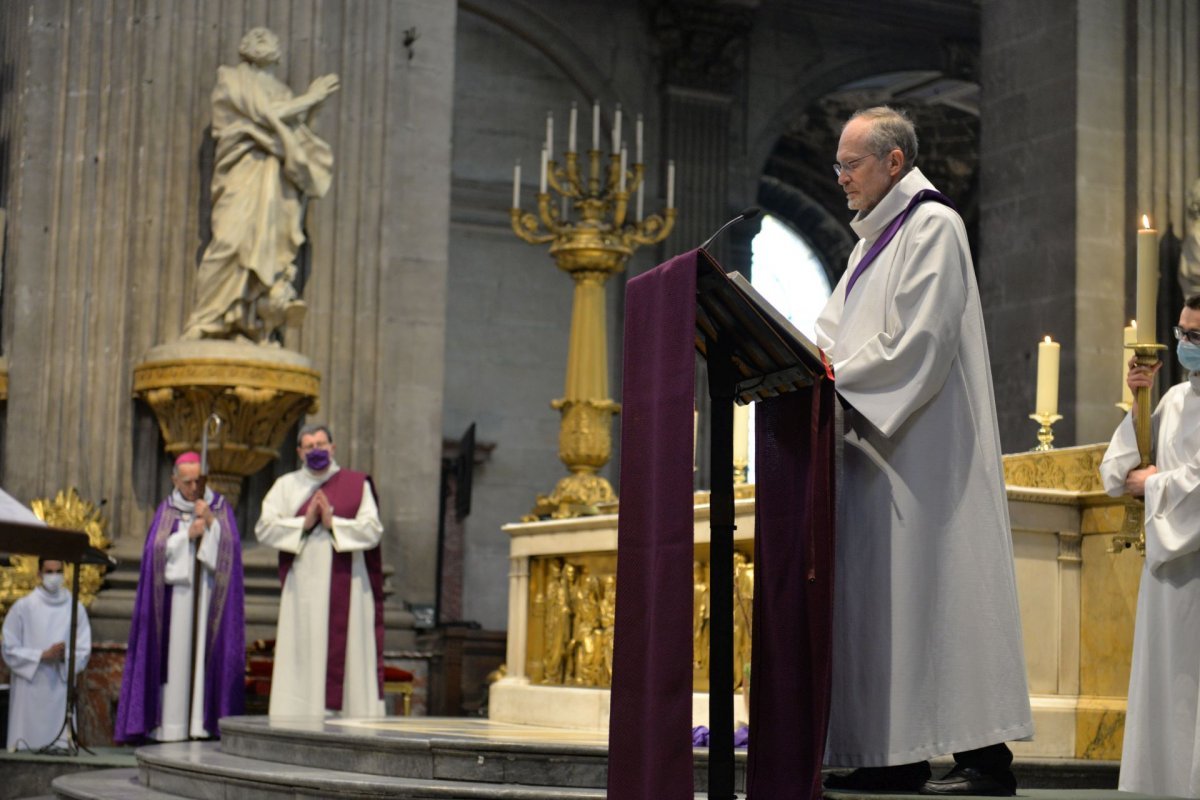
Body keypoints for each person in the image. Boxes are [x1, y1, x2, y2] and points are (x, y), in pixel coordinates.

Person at [814, 106, 1033, 796]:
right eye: (840, 164)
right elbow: (829, 333)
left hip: (924, 453)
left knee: (941, 599)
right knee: (889, 608)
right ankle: (894, 754)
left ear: (894, 163)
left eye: (851, 164)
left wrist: (832, 380)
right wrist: (805, 365)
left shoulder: (935, 226)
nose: (840, 177)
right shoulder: (867, 246)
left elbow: (921, 343)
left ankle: (984, 758)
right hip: (874, 451)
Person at [1100, 295, 1200, 799]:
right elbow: (1118, 471)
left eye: (1195, 337)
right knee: (1167, 691)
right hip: (1166, 576)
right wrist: (1138, 400)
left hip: (1197, 567)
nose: (1184, 344)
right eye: (1181, 333)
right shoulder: (1175, 400)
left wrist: (1156, 484)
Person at [180, 26, 339, 343]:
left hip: (276, 182)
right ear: (245, 48)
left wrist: (314, 108)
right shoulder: (232, 80)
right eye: (259, 37)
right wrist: (310, 99)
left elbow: (302, 138)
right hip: (242, 172)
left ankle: (253, 323)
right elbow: (266, 117)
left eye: (272, 39)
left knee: (269, 246)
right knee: (229, 241)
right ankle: (206, 318)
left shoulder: (283, 92)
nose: (268, 42)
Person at [255, 424, 386, 718]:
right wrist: (304, 523)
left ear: (333, 447)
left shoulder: (356, 484)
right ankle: (300, 717)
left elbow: (373, 530)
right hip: (303, 586)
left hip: (349, 583)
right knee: (304, 645)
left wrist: (333, 523)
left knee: (349, 646)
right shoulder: (286, 486)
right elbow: (264, 528)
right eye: (309, 446)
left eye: (321, 444)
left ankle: (353, 717)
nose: (316, 450)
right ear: (300, 452)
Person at [114, 451, 245, 743]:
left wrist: (212, 525)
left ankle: (201, 723)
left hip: (206, 600)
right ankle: (171, 726)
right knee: (174, 660)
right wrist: (187, 536)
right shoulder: (167, 510)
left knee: (202, 655)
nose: (193, 487)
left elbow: (232, 553)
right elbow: (153, 554)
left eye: (198, 480)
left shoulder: (219, 508)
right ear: (175, 479)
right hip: (175, 601)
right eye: (187, 482)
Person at [2, 558, 91, 752]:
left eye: (58, 571)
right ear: (39, 574)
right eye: (49, 572)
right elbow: (8, 649)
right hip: (30, 688)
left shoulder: (76, 608)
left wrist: (63, 655)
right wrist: (41, 655)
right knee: (27, 743)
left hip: (59, 685)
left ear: (65, 573)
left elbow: (84, 651)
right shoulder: (23, 607)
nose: (54, 576)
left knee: (59, 745)